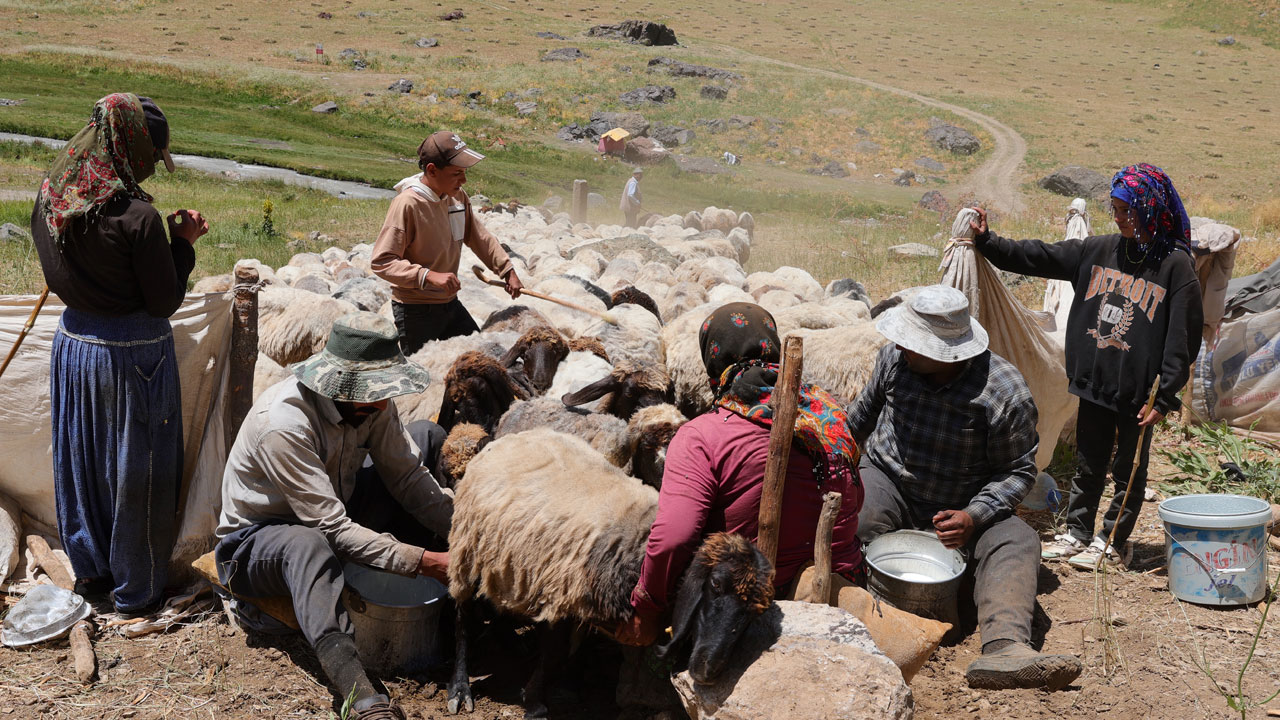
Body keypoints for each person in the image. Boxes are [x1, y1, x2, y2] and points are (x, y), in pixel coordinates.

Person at [215, 312, 452, 720]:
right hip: (258, 544)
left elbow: (408, 475)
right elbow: (329, 527)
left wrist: (469, 536)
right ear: (342, 386)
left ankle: (451, 604)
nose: (384, 401)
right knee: (309, 544)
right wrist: (424, 562)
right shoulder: (284, 423)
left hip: (332, 509)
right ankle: (360, 693)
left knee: (426, 438)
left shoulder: (371, 406)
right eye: (375, 391)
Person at [847, 285, 1082, 691]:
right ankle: (858, 611)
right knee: (861, 512)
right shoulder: (894, 360)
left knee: (1018, 541)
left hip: (966, 502)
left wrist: (974, 516)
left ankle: (1005, 646)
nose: (901, 348)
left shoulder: (1002, 390)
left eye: (912, 344)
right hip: (891, 481)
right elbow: (857, 422)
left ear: (943, 352)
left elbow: (1018, 471)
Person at [970, 163, 1203, 569]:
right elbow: (1037, 255)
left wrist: (1164, 397)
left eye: (1125, 209)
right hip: (1095, 382)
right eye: (1113, 208)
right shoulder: (1097, 250)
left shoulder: (1174, 266)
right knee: (1089, 462)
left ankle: (1114, 541)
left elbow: (1182, 338)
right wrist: (988, 241)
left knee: (1128, 469)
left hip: (1140, 393)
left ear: (1148, 208)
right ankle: (1078, 533)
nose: (1117, 216)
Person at [31, 92, 209, 615]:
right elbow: (163, 302)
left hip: (74, 349)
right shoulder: (137, 217)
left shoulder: (52, 197)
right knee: (140, 473)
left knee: (82, 466)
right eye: (153, 155)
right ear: (131, 145)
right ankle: (137, 591)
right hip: (134, 360)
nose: (154, 164)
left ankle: (91, 575)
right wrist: (183, 243)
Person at [616, 302, 864, 646]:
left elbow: (674, 536)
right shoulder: (830, 415)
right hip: (843, 578)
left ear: (711, 366)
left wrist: (646, 605)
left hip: (752, 596)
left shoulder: (701, 436)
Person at [372, 130, 523, 355]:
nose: (463, 180)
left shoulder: (457, 197)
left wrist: (506, 269)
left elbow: (477, 235)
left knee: (482, 358)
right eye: (457, 173)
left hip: (449, 304)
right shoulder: (408, 204)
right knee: (426, 377)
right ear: (432, 170)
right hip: (415, 310)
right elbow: (382, 261)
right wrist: (428, 275)